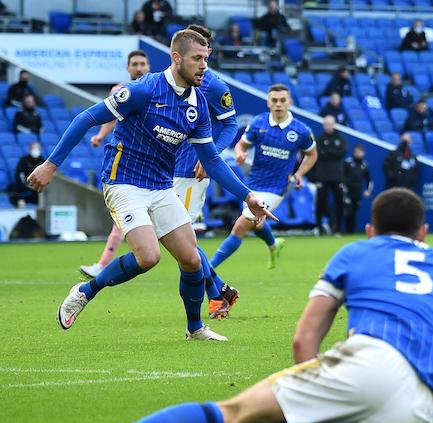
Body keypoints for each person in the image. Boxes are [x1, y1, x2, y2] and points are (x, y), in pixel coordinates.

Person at [28, 188, 433, 423]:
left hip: (372, 365)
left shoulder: (356, 251)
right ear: (424, 233)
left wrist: (306, 387)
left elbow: (304, 337)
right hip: (418, 415)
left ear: (371, 230)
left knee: (233, 415)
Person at [28, 29, 274, 341]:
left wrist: (248, 196)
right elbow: (86, 118)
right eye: (197, 59)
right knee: (149, 257)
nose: (204, 66)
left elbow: (211, 161)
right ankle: (85, 291)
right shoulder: (144, 89)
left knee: (192, 259)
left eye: (207, 59)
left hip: (160, 186)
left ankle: (195, 328)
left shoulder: (198, 105)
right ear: (176, 58)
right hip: (123, 182)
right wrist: (50, 164)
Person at [168, 25, 242, 319]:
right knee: (180, 242)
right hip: (166, 167)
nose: (200, 59)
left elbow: (231, 126)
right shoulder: (172, 80)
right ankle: (221, 290)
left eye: (204, 52)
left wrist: (209, 155)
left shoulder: (214, 86)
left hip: (191, 172)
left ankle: (217, 295)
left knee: (181, 241)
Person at [210, 84, 317, 271]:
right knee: (256, 222)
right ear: (268, 102)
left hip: (276, 188)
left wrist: (299, 174)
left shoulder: (301, 131)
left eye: (282, 100)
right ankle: (274, 245)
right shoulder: (258, 123)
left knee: (241, 225)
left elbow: (312, 154)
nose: (278, 104)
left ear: (289, 102)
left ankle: (207, 271)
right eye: (274, 100)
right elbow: (240, 145)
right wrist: (240, 153)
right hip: (252, 185)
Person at [79, 50, 151, 279]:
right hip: (130, 162)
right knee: (122, 218)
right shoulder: (120, 92)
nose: (139, 68)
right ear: (128, 68)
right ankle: (104, 264)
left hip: (155, 163)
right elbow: (110, 116)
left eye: (142, 63)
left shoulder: (157, 89)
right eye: (134, 64)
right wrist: (100, 135)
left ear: (148, 66)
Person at [309, 115, 347, 235]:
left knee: (339, 202)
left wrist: (327, 151)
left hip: (337, 176)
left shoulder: (340, 139)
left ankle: (338, 228)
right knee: (320, 202)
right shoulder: (320, 139)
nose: (328, 126)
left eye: (330, 124)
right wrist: (331, 152)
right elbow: (318, 153)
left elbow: (341, 153)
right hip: (322, 175)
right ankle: (320, 227)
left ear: (334, 124)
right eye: (326, 124)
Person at [341, 143, 372, 233]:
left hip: (357, 191)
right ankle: (345, 230)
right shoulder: (348, 162)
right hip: (347, 190)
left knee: (354, 211)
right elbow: (342, 175)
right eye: (356, 152)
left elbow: (369, 179)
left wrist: (368, 190)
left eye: (360, 152)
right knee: (348, 210)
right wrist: (343, 187)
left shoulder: (364, 165)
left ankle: (351, 231)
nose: (358, 154)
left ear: (363, 153)